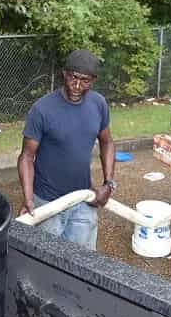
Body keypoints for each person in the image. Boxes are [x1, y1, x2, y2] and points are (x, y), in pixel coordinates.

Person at [17, 49, 116, 250]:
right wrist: (28, 199)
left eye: (85, 81)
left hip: (83, 200)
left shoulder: (98, 104)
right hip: (47, 203)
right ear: (64, 73)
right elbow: (27, 157)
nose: (77, 86)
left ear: (93, 80)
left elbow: (107, 142)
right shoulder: (42, 109)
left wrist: (108, 184)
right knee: (46, 262)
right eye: (73, 77)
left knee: (84, 263)